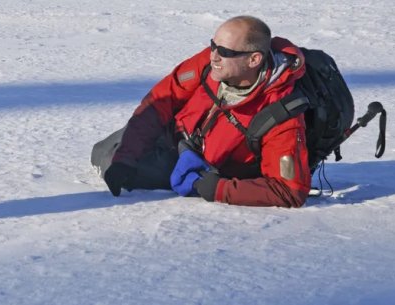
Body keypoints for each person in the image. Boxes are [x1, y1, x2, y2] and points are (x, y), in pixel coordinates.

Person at [99, 15, 311, 208]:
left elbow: (290, 191)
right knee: (108, 155)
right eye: (213, 45)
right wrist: (125, 158)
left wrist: (217, 189)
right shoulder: (210, 64)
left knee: (107, 158)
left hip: (208, 170)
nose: (214, 56)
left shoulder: (280, 113)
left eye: (225, 52)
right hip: (176, 139)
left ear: (254, 59)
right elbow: (159, 102)